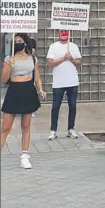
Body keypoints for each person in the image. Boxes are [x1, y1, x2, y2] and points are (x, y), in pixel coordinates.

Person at [1, 33, 46, 169]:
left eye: (20, 40)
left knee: (26, 126)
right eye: (15, 41)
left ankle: (25, 156)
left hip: (28, 91)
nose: (18, 43)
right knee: (5, 128)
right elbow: (3, 80)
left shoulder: (32, 58)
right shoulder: (9, 59)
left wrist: (41, 89)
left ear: (25, 42)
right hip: (14, 91)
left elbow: (36, 76)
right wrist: (9, 66)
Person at [47, 30, 82, 141]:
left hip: (72, 81)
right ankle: (53, 130)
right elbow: (50, 63)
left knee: (72, 106)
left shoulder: (73, 46)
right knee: (55, 107)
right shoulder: (53, 46)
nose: (63, 35)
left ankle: (71, 129)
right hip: (58, 82)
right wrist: (63, 58)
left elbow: (79, 63)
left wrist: (71, 58)